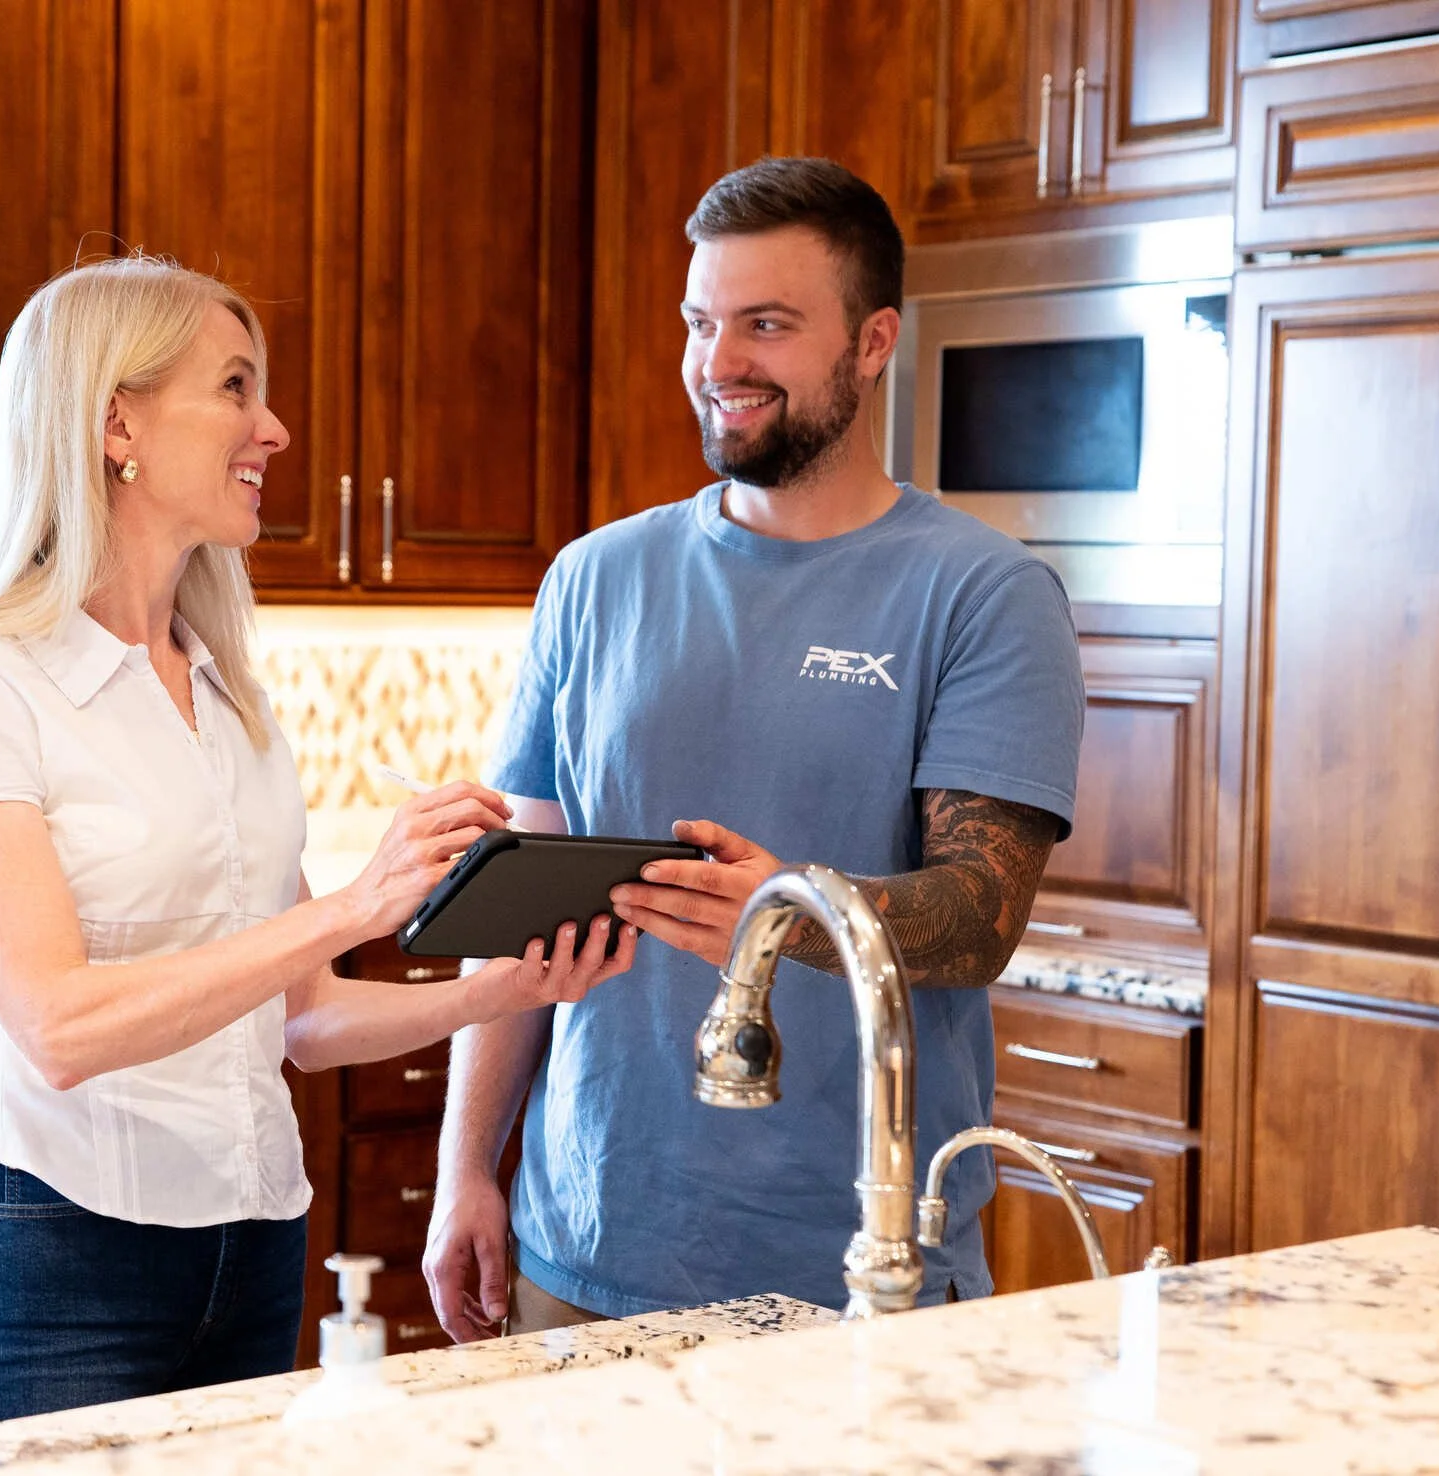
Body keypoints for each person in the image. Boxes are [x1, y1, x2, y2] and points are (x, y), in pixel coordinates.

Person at [0, 256, 637, 1430]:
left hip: (253, 1243)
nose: (273, 427)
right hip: (53, 1251)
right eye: (234, 387)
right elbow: (60, 1029)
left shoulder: (226, 697)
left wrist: (500, 993)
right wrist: (360, 905)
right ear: (118, 420)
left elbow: (303, 1019)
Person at [421, 158, 1084, 1338]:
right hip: (581, 1253)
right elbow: (517, 905)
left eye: (766, 325)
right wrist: (467, 1167)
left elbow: (984, 912)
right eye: (700, 322)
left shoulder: (984, 594)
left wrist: (784, 919)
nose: (718, 362)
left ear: (872, 342)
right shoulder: (594, 579)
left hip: (862, 1271)